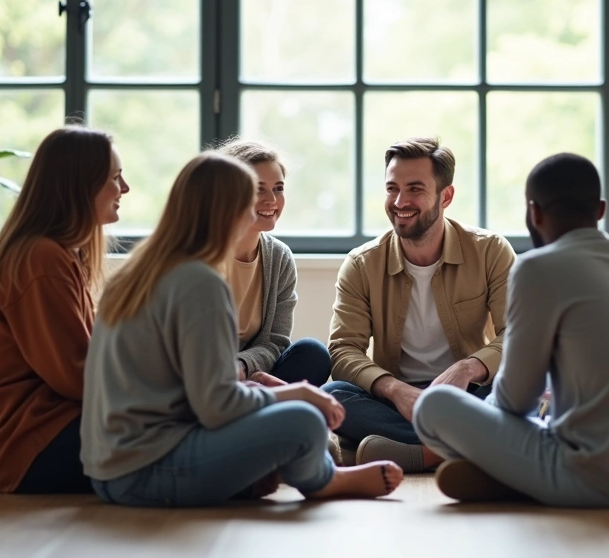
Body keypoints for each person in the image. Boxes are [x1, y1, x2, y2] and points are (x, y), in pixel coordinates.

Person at [81, 152, 402, 506]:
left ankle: (286, 470)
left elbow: (190, 390)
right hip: (149, 472)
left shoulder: (136, 272)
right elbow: (217, 405)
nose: (256, 213)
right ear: (225, 211)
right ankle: (322, 479)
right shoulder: (199, 282)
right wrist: (299, 394)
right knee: (305, 419)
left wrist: (259, 385)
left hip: (106, 472)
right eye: (247, 202)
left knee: (296, 394)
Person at [411, 153, 609, 506]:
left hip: (594, 478)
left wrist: (486, 427)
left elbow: (515, 401)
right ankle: (511, 476)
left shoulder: (538, 268)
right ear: (600, 210)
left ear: (534, 213)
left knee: (434, 405)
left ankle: (507, 475)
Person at [322, 138, 516, 473]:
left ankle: (421, 453)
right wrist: (395, 390)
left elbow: (517, 334)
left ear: (446, 196)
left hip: (469, 394)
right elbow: (342, 350)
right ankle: (469, 447)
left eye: (414, 189)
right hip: (396, 402)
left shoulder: (490, 251)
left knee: (523, 388)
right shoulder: (361, 263)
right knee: (335, 394)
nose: (400, 202)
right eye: (392, 188)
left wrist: (468, 368)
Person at [0, 126, 129, 494]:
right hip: (29, 443)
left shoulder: (60, 253)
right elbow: (78, 376)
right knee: (178, 427)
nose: (125, 189)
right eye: (116, 178)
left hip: (43, 429)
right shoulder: (41, 259)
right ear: (80, 186)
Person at [217, 140, 330, 387]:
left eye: (278, 188)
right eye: (259, 189)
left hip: (248, 373)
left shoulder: (279, 257)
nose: (272, 199)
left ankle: (254, 404)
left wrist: (242, 367)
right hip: (204, 374)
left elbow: (275, 342)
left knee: (313, 354)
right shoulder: (200, 254)